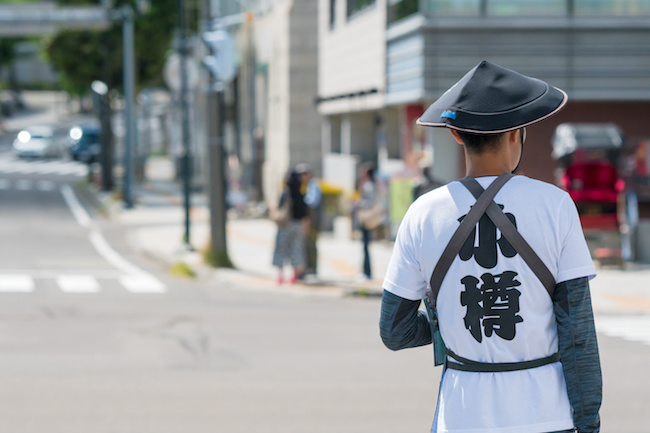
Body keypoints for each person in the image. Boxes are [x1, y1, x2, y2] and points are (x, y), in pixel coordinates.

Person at [379, 61, 601, 433]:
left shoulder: (422, 213)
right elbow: (577, 333)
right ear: (517, 132)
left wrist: (448, 321)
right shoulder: (555, 204)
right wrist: (589, 424)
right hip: (546, 415)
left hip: (462, 417)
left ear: (455, 135)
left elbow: (395, 330)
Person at [272, 169, 308, 284]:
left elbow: (279, 208)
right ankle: (294, 275)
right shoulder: (300, 194)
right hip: (297, 225)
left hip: (285, 225)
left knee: (281, 249)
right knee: (296, 249)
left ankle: (280, 275)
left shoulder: (285, 193)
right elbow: (304, 213)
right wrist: (305, 228)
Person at [355, 162, 384, 281]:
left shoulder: (368, 185)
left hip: (366, 218)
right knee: (366, 245)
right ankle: (366, 272)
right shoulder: (374, 184)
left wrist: (358, 203)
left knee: (365, 246)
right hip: (369, 217)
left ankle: (367, 272)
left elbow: (370, 202)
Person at [296, 163, 322, 278]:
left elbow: (312, 202)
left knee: (311, 243)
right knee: (304, 244)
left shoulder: (313, 186)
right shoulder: (304, 186)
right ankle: (306, 268)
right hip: (306, 220)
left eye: (303, 174)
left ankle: (312, 268)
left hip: (312, 221)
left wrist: (300, 202)